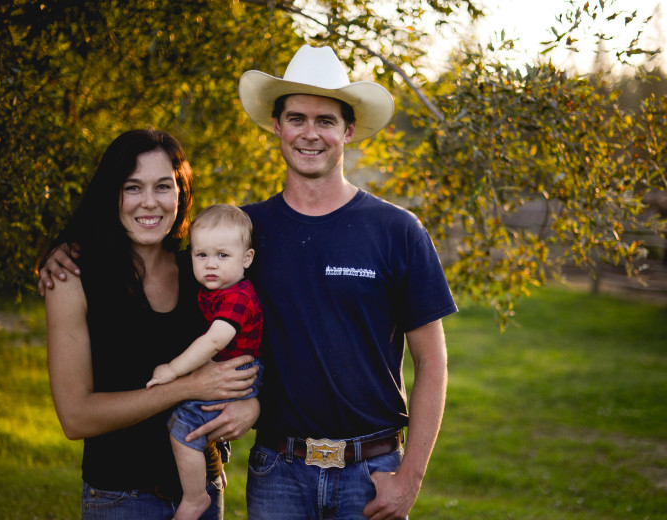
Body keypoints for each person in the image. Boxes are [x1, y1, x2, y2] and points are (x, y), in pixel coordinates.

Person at [40, 45, 457, 520]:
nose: (310, 133)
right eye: (296, 117)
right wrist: (68, 249)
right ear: (276, 127)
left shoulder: (397, 230)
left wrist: (411, 479)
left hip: (370, 470)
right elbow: (241, 335)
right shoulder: (243, 235)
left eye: (326, 120)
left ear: (348, 129)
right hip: (278, 471)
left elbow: (433, 361)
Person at [39, 128, 260, 519]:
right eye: (132, 187)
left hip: (204, 492)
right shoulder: (73, 275)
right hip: (121, 499)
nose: (149, 203)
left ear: (181, 193)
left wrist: (254, 405)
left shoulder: (203, 272)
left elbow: (255, 345)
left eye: (163, 186)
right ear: (112, 194)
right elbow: (75, 417)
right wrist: (188, 386)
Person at [146, 203, 264, 520]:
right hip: (230, 369)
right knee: (196, 423)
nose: (211, 265)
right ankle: (209, 469)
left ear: (247, 259)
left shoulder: (237, 297)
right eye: (202, 256)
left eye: (222, 256)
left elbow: (213, 341)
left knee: (182, 429)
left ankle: (196, 497)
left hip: (237, 373)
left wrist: (172, 370)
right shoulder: (218, 287)